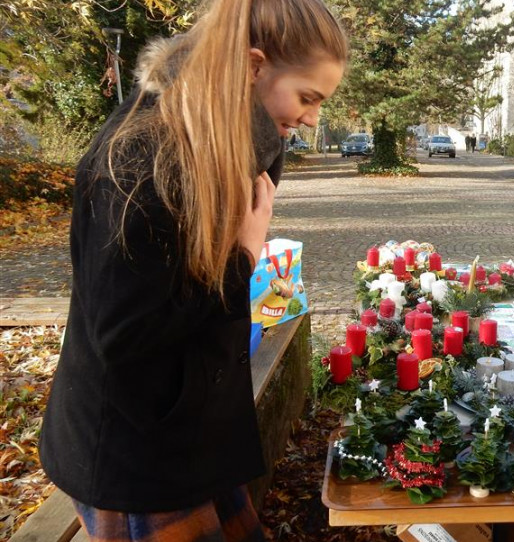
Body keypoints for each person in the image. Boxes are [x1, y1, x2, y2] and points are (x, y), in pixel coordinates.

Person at [38, 0, 348, 540]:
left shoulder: (222, 137)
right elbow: (126, 333)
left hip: (191, 436)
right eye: (307, 97)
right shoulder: (140, 157)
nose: (312, 119)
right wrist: (244, 256)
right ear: (252, 66)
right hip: (137, 455)